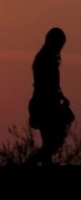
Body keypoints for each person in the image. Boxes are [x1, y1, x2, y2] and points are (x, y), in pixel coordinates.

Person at [26, 28, 74, 166]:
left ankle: (40, 163)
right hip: (45, 105)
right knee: (53, 141)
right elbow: (45, 84)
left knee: (50, 142)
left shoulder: (45, 57)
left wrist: (60, 96)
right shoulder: (45, 58)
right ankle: (30, 164)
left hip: (46, 103)